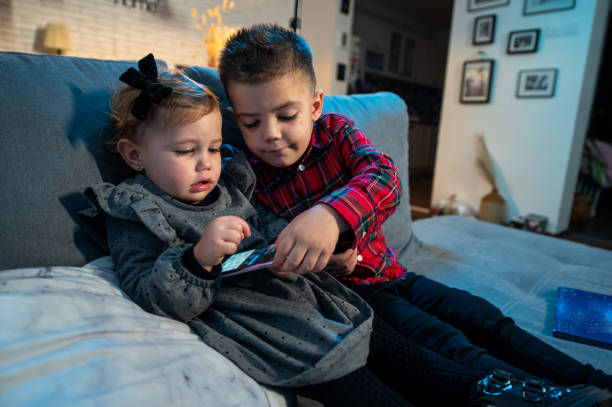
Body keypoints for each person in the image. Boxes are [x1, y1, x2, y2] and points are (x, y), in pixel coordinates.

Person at [217, 24, 612, 406]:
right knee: (448, 344)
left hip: (396, 273)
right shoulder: (249, 178)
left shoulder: (337, 134)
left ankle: (592, 383)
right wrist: (315, 261)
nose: (270, 133)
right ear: (237, 119)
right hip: (361, 297)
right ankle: (542, 398)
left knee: (488, 320)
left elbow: (383, 177)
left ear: (316, 105)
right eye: (253, 122)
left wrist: (331, 214)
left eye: (287, 116)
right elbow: (265, 256)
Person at [82, 53, 425, 407]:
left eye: (214, 148)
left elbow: (268, 225)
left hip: (325, 301)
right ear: (135, 156)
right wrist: (198, 259)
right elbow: (149, 295)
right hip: (276, 332)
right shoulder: (134, 211)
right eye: (186, 151)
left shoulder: (231, 184)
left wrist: (304, 247)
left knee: (418, 361)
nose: (206, 164)